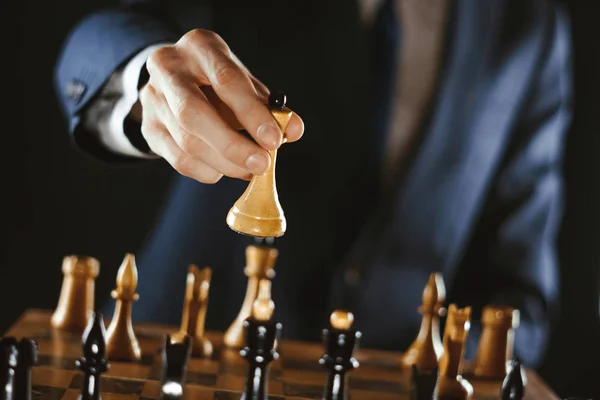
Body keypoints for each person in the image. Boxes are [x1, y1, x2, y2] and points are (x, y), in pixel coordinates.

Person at [54, 0, 572, 367]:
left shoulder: (531, 25)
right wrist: (146, 73)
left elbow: (519, 283)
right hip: (181, 359)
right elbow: (96, 39)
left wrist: (485, 366)